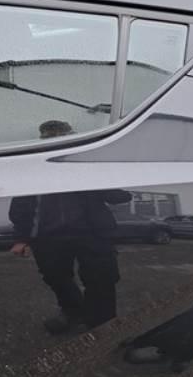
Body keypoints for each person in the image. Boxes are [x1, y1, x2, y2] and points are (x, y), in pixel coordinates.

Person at [9, 120, 131, 334]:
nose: (56, 142)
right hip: (48, 236)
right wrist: (21, 239)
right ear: (43, 141)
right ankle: (73, 313)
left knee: (101, 277)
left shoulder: (87, 164)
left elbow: (117, 196)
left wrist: (99, 177)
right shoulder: (32, 170)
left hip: (92, 233)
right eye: (50, 138)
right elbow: (20, 207)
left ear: (71, 139)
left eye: (61, 137)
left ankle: (102, 323)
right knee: (55, 277)